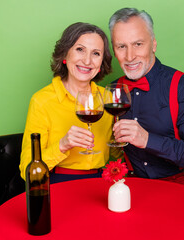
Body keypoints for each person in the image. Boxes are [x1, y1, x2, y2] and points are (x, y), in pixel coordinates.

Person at [108, 8, 184, 193]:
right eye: (121, 46)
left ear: (153, 44)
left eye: (138, 44)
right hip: (136, 189)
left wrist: (147, 139)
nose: (130, 56)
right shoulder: (113, 91)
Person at [20, 22, 118, 184]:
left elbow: (116, 152)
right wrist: (62, 145)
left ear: (102, 62)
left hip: (103, 181)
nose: (87, 60)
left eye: (96, 53)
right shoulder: (42, 101)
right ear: (65, 54)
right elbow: (27, 170)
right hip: (59, 182)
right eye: (80, 49)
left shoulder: (107, 98)